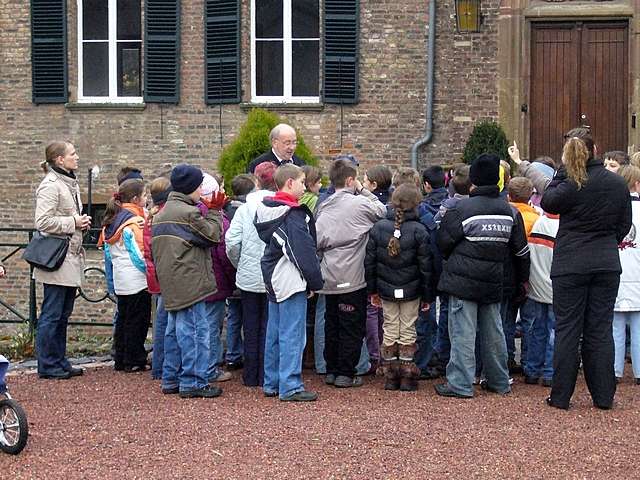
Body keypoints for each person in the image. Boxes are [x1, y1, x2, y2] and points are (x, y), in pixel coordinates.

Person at [541, 128, 632, 410]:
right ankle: (603, 396)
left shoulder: (569, 182)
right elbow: (624, 224)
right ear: (596, 150)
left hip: (571, 263)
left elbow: (548, 202)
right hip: (605, 262)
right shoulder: (616, 183)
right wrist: (607, 243)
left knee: (568, 329)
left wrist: (560, 171)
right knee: (599, 330)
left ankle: (561, 396)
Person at [434, 153, 529, 399]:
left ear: (473, 181)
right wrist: (521, 281)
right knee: (494, 333)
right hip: (495, 278)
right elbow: (520, 251)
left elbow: (443, 243)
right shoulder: (509, 212)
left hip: (462, 281)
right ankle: (498, 381)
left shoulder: (460, 209)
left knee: (463, 334)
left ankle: (461, 384)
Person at [151, 164, 225, 398]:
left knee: (174, 331)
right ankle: (193, 381)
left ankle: (171, 378)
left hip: (171, 279)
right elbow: (212, 236)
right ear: (191, 187)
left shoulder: (162, 212)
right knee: (195, 332)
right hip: (189, 280)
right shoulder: (188, 213)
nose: (202, 189)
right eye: (199, 185)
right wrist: (215, 211)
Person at [254, 164, 324, 401]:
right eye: (302, 182)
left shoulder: (268, 209)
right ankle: (290, 385)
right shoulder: (291, 214)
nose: (305, 186)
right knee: (292, 334)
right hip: (290, 279)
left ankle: (272, 382)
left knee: (274, 332)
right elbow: (301, 252)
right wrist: (315, 281)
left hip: (274, 277)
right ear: (290, 183)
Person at [315, 158, 387, 388]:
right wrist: (363, 190)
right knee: (351, 325)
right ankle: (346, 372)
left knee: (331, 323)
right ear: (350, 180)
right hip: (353, 275)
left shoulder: (322, 206)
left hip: (328, 273)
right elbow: (381, 210)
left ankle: (331, 369)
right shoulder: (359, 204)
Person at [365, 184, 433, 391]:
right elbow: (426, 267)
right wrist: (427, 294)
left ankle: (391, 374)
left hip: (386, 288)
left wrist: (372, 290)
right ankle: (406, 375)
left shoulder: (378, 228)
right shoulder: (419, 230)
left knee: (390, 327)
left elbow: (370, 262)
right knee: (408, 329)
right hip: (411, 289)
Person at [34, 141, 91, 380]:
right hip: (57, 257)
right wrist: (73, 223)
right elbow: (42, 222)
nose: (76, 157)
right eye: (72, 154)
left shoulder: (69, 183)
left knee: (63, 312)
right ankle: (48, 363)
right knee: (53, 312)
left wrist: (80, 223)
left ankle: (59, 359)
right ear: (59, 160)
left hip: (70, 255)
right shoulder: (51, 186)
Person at [225, 162, 277, 387]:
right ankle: (266, 373)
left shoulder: (245, 208)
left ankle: (250, 374)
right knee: (269, 325)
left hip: (247, 275)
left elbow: (232, 242)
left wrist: (240, 264)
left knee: (250, 324)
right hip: (273, 274)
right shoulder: (279, 206)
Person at [102, 179, 150, 373]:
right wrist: (148, 272)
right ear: (136, 199)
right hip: (136, 279)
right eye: (145, 196)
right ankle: (134, 359)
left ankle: (120, 357)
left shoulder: (113, 220)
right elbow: (138, 253)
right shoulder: (134, 222)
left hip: (121, 277)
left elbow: (107, 252)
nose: (147, 199)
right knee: (137, 321)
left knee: (123, 319)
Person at [197, 173, 234, 383]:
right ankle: (209, 368)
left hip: (200, 280)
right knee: (211, 327)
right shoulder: (216, 218)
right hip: (215, 281)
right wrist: (232, 278)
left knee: (201, 326)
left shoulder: (193, 214)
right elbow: (225, 252)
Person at [222, 173, 258, 370]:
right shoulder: (246, 210)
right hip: (243, 268)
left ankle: (233, 354)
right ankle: (239, 354)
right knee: (247, 316)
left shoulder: (226, 210)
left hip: (236, 268)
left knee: (235, 316)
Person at [520, 209, 559, 387]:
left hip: (537, 285)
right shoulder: (561, 227)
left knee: (537, 329)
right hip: (554, 286)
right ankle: (550, 372)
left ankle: (532, 370)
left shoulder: (538, 223)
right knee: (553, 331)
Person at [612, 165, 640, 384]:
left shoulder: (612, 208)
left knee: (615, 326)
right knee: (639, 328)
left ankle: (615, 370)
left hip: (616, 271)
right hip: (638, 273)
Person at [144, 176, 172, 380]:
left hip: (155, 273)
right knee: (166, 322)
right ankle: (163, 367)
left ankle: (159, 366)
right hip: (164, 273)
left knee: (161, 322)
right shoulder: (162, 216)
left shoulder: (151, 217)